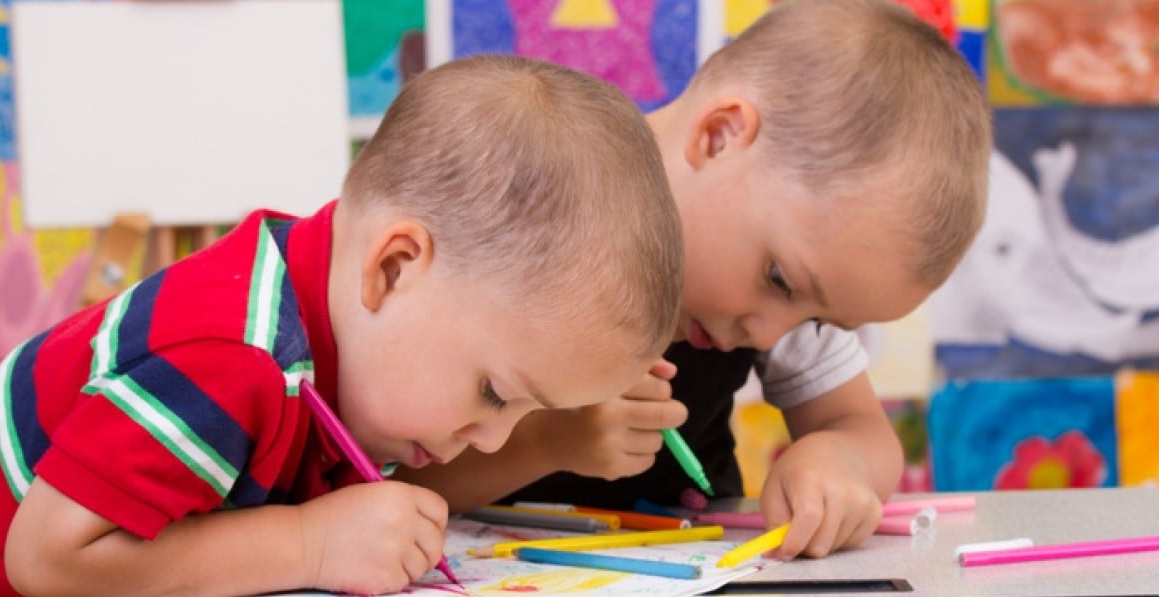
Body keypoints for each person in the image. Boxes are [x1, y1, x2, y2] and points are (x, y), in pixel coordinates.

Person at [0, 54, 684, 597]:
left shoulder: (345, 342)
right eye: (495, 392)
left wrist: (555, 441)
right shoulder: (232, 356)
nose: (493, 436)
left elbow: (399, 500)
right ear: (394, 267)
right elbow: (47, 556)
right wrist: (311, 546)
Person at [402, 0, 992, 560]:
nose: (770, 336)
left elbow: (860, 428)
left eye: (818, 319)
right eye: (779, 280)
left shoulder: (804, 269)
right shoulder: (527, 206)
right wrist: (550, 440)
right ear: (720, 136)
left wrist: (839, 462)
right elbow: (392, 476)